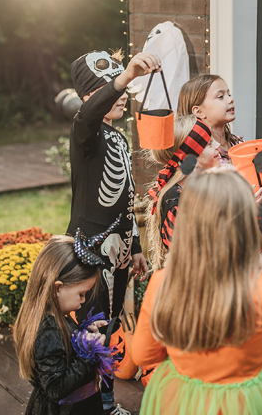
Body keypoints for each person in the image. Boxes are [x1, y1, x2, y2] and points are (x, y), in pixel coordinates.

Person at [131, 169, 262, 415]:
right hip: (248, 403)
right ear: (245, 224)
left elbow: (141, 354)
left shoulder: (162, 283)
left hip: (184, 402)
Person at [68, 49, 159, 415]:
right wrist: (125, 78)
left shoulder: (118, 137)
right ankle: (87, 405)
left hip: (119, 251)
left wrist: (135, 246)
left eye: (121, 87)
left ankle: (106, 402)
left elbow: (125, 197)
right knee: (90, 329)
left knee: (112, 327)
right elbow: (87, 114)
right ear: (89, 96)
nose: (122, 94)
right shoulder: (85, 133)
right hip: (90, 252)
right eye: (111, 88)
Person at [177, 74, 262, 232]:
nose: (230, 99)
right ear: (199, 111)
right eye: (220, 96)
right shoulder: (200, 156)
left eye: (229, 94)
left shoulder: (237, 143)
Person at [14, 235, 105, 415]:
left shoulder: (57, 317)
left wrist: (83, 333)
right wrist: (88, 353)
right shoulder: (48, 331)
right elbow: (55, 388)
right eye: (81, 294)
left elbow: (65, 350)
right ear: (58, 288)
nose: (83, 300)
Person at [145, 114, 218, 269]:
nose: (218, 145)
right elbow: (190, 257)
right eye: (210, 143)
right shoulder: (175, 200)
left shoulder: (201, 189)